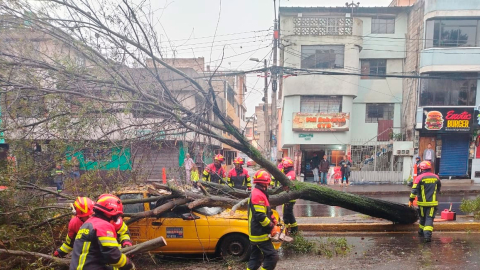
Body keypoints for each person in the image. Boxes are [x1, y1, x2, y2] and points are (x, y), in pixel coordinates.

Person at [69, 194, 135, 270]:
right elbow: (112, 255)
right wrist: (128, 264)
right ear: (111, 211)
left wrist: (126, 243)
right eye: (117, 215)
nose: (117, 218)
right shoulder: (103, 226)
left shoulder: (88, 223)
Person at [54, 197, 132, 258]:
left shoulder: (110, 217)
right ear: (79, 217)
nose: (89, 217)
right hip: (92, 259)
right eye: (86, 216)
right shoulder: (74, 224)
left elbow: (123, 232)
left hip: (115, 255)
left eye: (91, 214)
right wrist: (59, 252)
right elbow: (69, 243)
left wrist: (126, 243)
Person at [247, 170, 280, 270]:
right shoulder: (258, 195)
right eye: (268, 183)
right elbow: (260, 216)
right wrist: (272, 227)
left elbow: (266, 212)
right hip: (259, 234)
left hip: (256, 232)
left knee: (256, 259)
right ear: (265, 183)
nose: (268, 185)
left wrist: (274, 220)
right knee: (272, 257)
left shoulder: (260, 193)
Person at [409, 161, 441, 243]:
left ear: (421, 169)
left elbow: (414, 191)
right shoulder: (436, 177)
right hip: (432, 203)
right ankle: (427, 236)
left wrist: (411, 200)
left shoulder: (419, 178)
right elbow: (438, 189)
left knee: (422, 218)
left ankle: (421, 233)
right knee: (429, 218)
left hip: (422, 203)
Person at [282, 157, 298, 234]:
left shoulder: (290, 174)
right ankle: (293, 230)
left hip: (290, 198)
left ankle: (288, 230)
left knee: (287, 215)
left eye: (284, 166)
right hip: (288, 197)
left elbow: (288, 185)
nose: (283, 168)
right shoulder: (288, 172)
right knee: (289, 214)